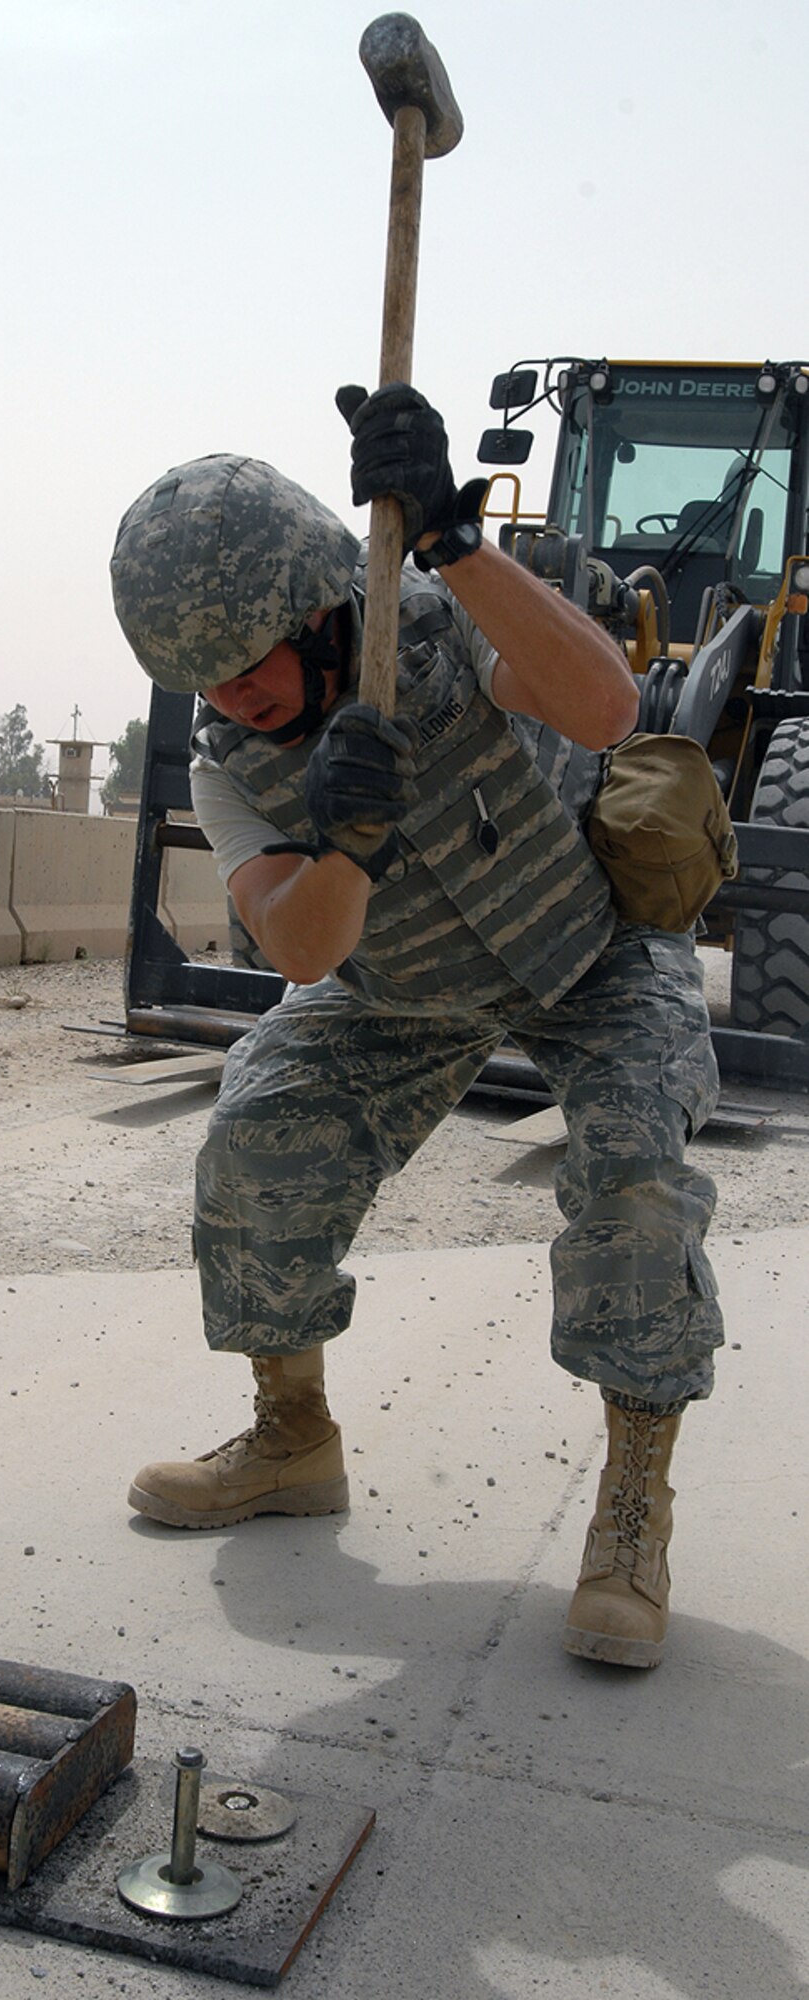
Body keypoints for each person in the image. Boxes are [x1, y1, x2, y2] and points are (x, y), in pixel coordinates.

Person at [108, 384, 723, 1671]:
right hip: (400, 990)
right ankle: (292, 1436)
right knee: (257, 1139)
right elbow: (303, 947)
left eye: (248, 654)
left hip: (589, 948)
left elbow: (608, 708)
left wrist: (451, 534)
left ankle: (630, 1507)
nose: (232, 689)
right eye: (202, 673)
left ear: (319, 602)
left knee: (635, 1171)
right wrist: (346, 840)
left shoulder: (439, 623)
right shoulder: (237, 763)